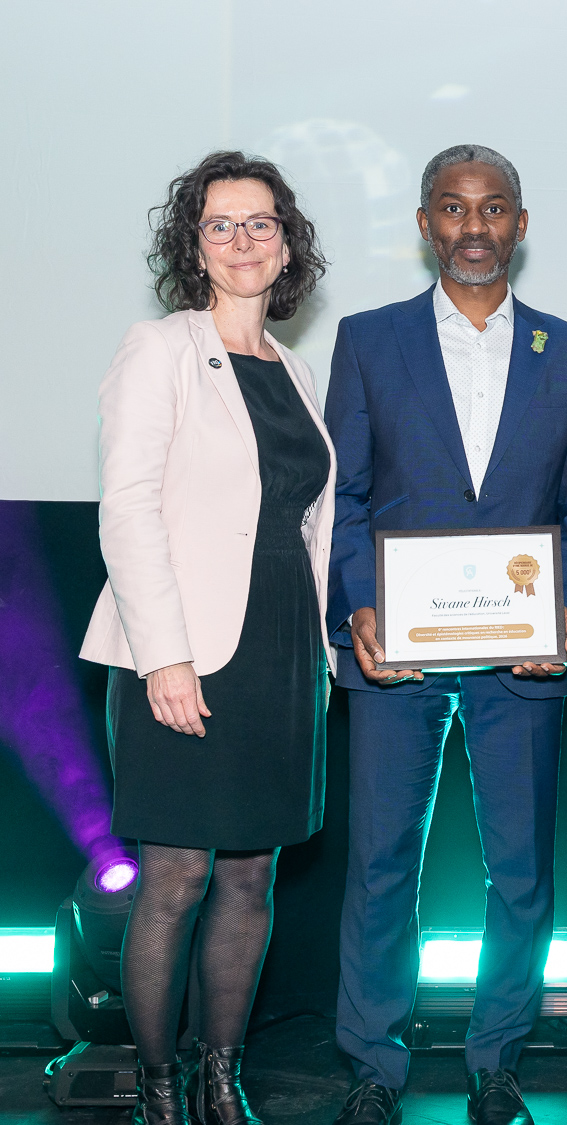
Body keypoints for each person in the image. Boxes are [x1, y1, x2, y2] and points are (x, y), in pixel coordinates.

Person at [324, 144, 567, 1125]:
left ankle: (498, 1062)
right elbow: (348, 496)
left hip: (521, 652)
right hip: (395, 654)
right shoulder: (368, 342)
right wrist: (361, 606)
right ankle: (374, 1062)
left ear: (520, 226)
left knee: (521, 867)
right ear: (425, 224)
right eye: (454, 208)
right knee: (379, 863)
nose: (475, 227)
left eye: (494, 209)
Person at [79, 151, 334, 1125]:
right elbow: (129, 508)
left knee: (250, 875)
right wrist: (165, 655)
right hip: (180, 654)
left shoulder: (297, 371)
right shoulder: (162, 348)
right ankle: (156, 1091)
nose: (241, 240)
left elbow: (303, 529)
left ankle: (220, 1078)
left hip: (279, 656)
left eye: (259, 223)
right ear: (194, 246)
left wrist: (320, 661)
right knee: (176, 877)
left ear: (286, 242)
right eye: (220, 225)